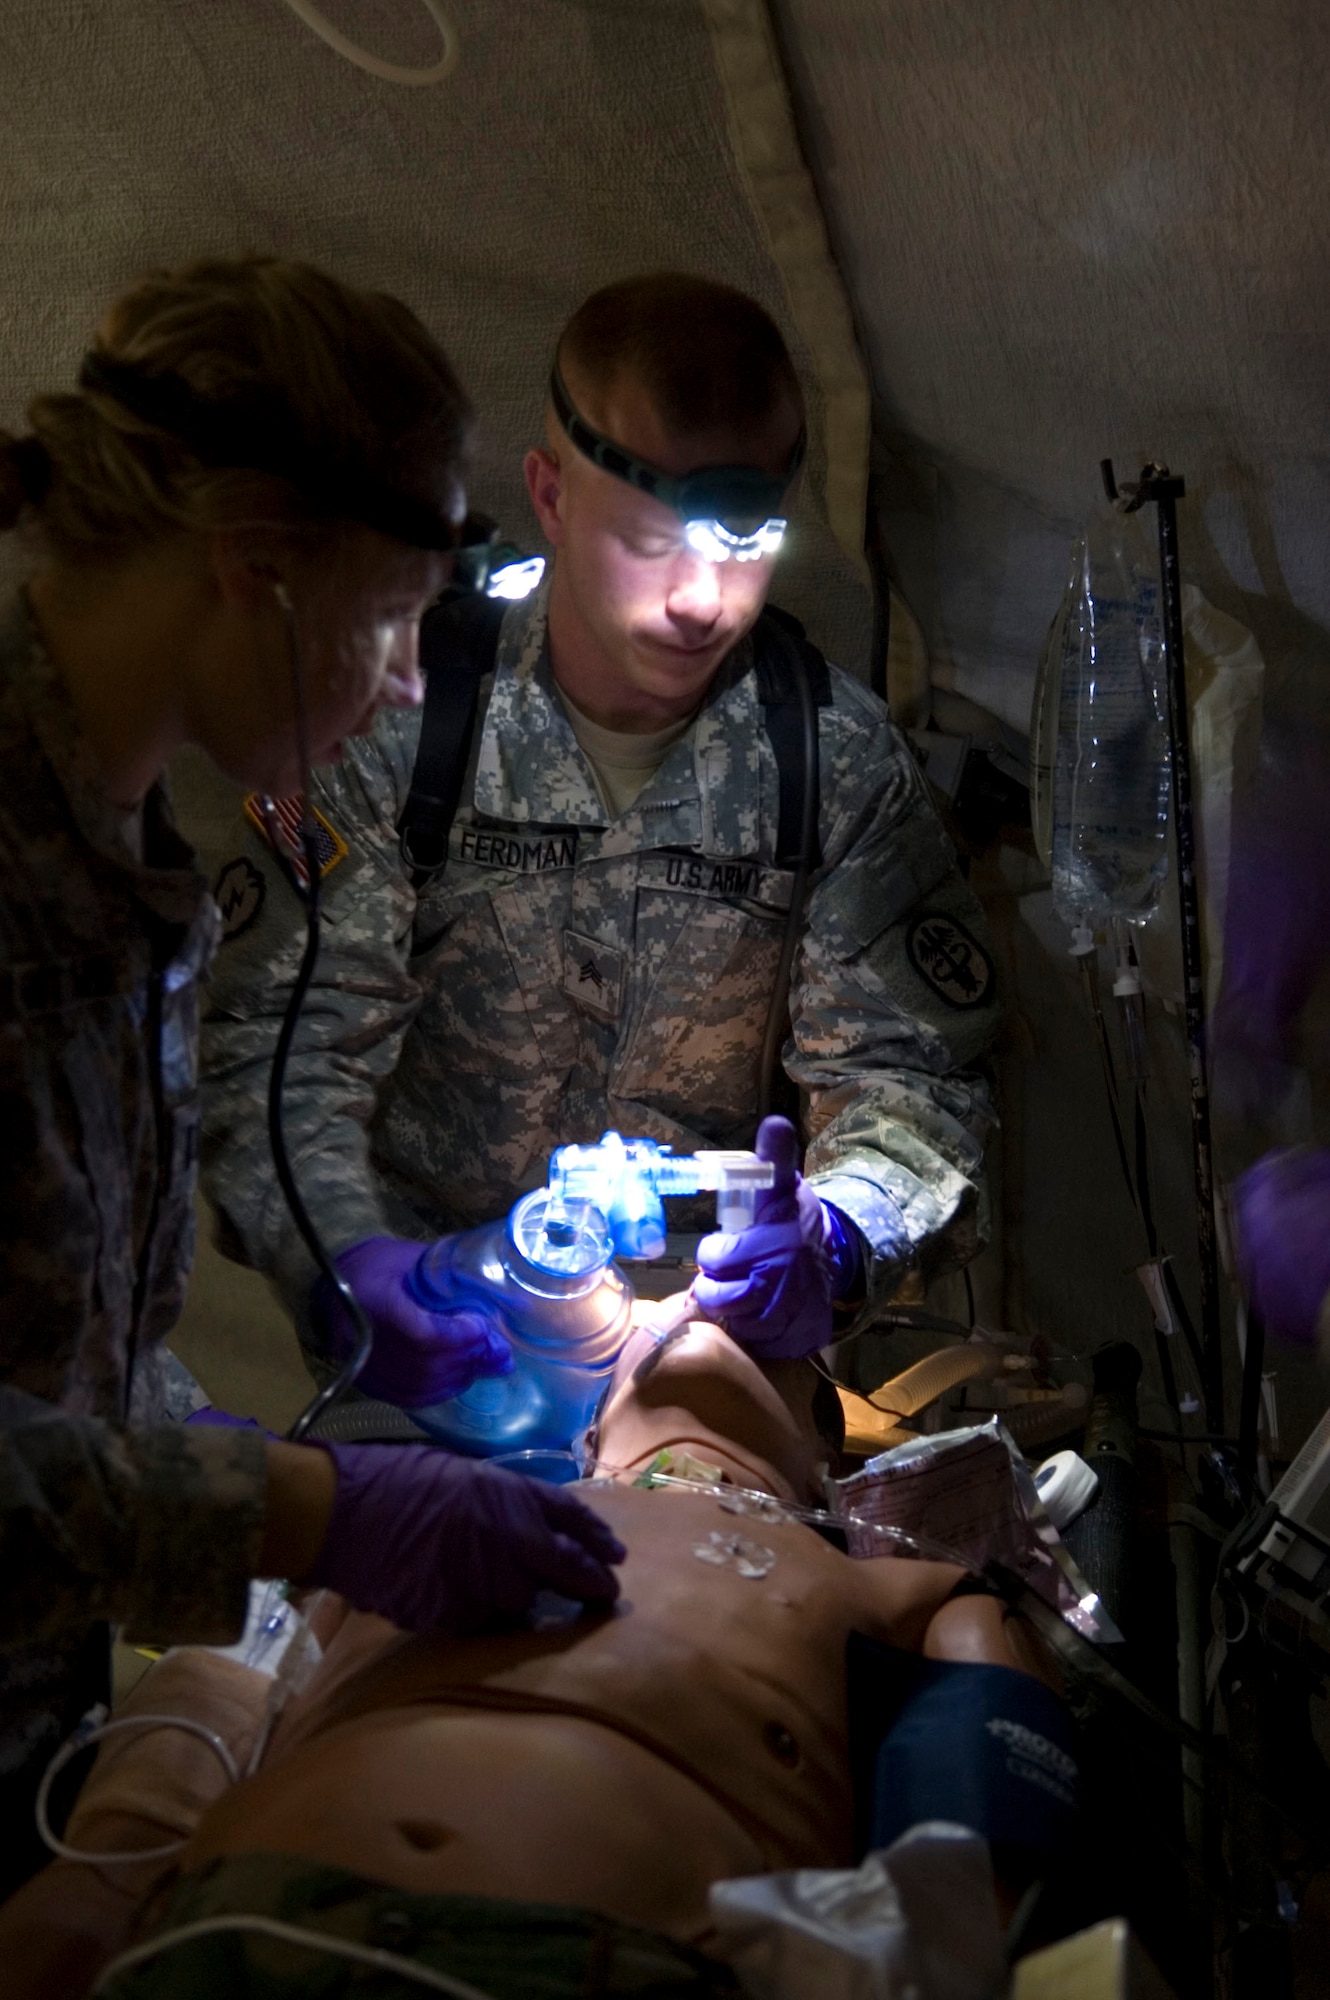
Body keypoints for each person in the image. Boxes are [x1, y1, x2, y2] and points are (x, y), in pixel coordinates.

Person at [0, 255, 624, 1897]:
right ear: (255, 565)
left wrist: (211, 1421)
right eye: (400, 620)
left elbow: (46, 1351)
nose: (413, 679)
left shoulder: (122, 866)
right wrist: (301, 1514)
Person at [199, 271, 1001, 1410]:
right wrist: (353, 1267)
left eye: (744, 540)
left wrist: (836, 1238)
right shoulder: (396, 721)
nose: (698, 598)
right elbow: (275, 1059)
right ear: (552, 494)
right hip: (437, 1358)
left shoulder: (831, 763)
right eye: (649, 538)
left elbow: (911, 1078)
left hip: (699, 1358)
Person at [0, 1310, 1076, 1999]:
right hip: (224, 1933)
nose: (690, 1307)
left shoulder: (894, 1584)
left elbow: (978, 1876)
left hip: (604, 1955)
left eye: (768, 1343)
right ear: (589, 1430)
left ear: (822, 1454)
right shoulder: (422, 1525)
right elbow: (220, 1679)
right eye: (653, 1324)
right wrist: (95, 1888)